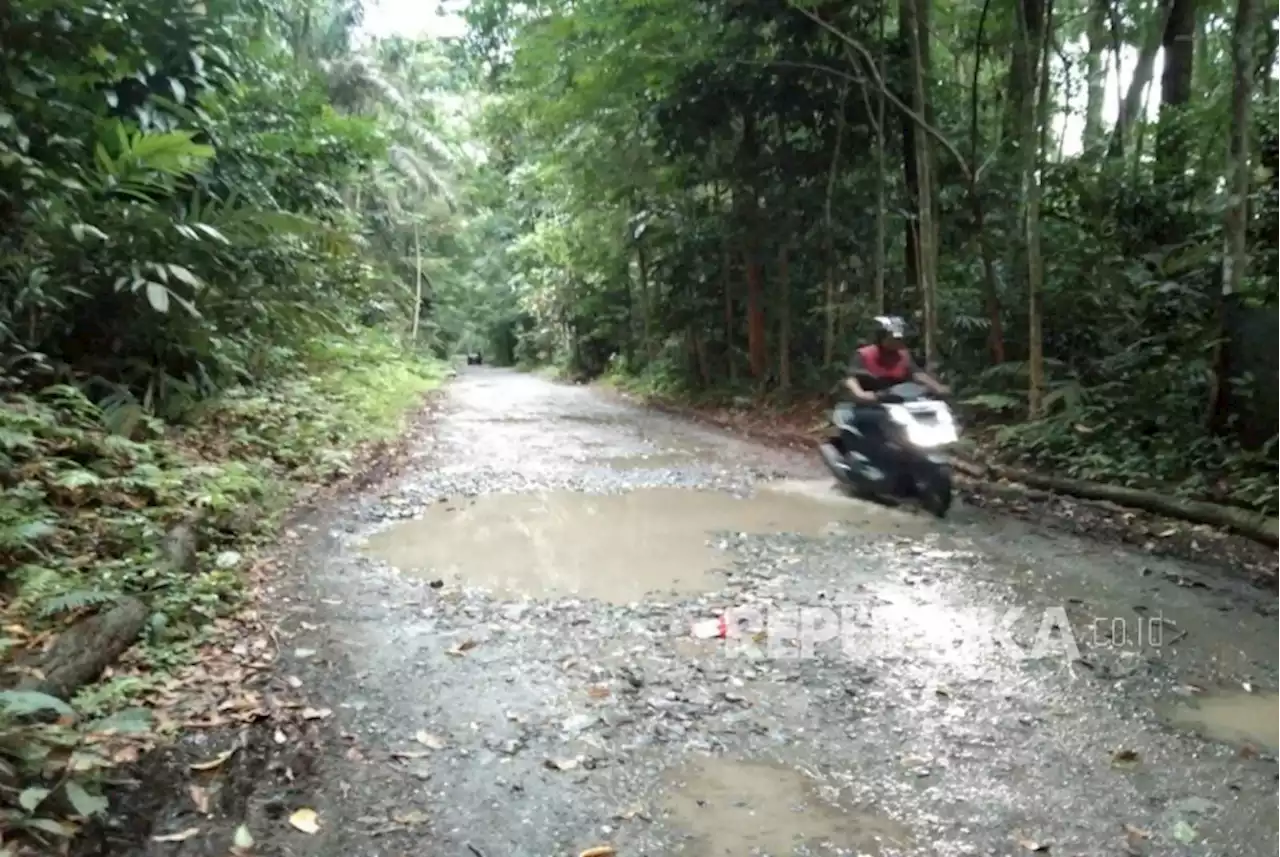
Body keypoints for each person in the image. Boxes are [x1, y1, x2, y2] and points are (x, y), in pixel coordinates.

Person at [837, 315, 949, 475]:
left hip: (898, 403)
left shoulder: (903, 355)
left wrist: (937, 387)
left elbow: (917, 374)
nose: (897, 342)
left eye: (899, 338)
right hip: (871, 404)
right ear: (881, 337)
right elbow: (851, 379)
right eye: (893, 338)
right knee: (879, 430)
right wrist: (861, 393)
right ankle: (870, 465)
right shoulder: (864, 355)